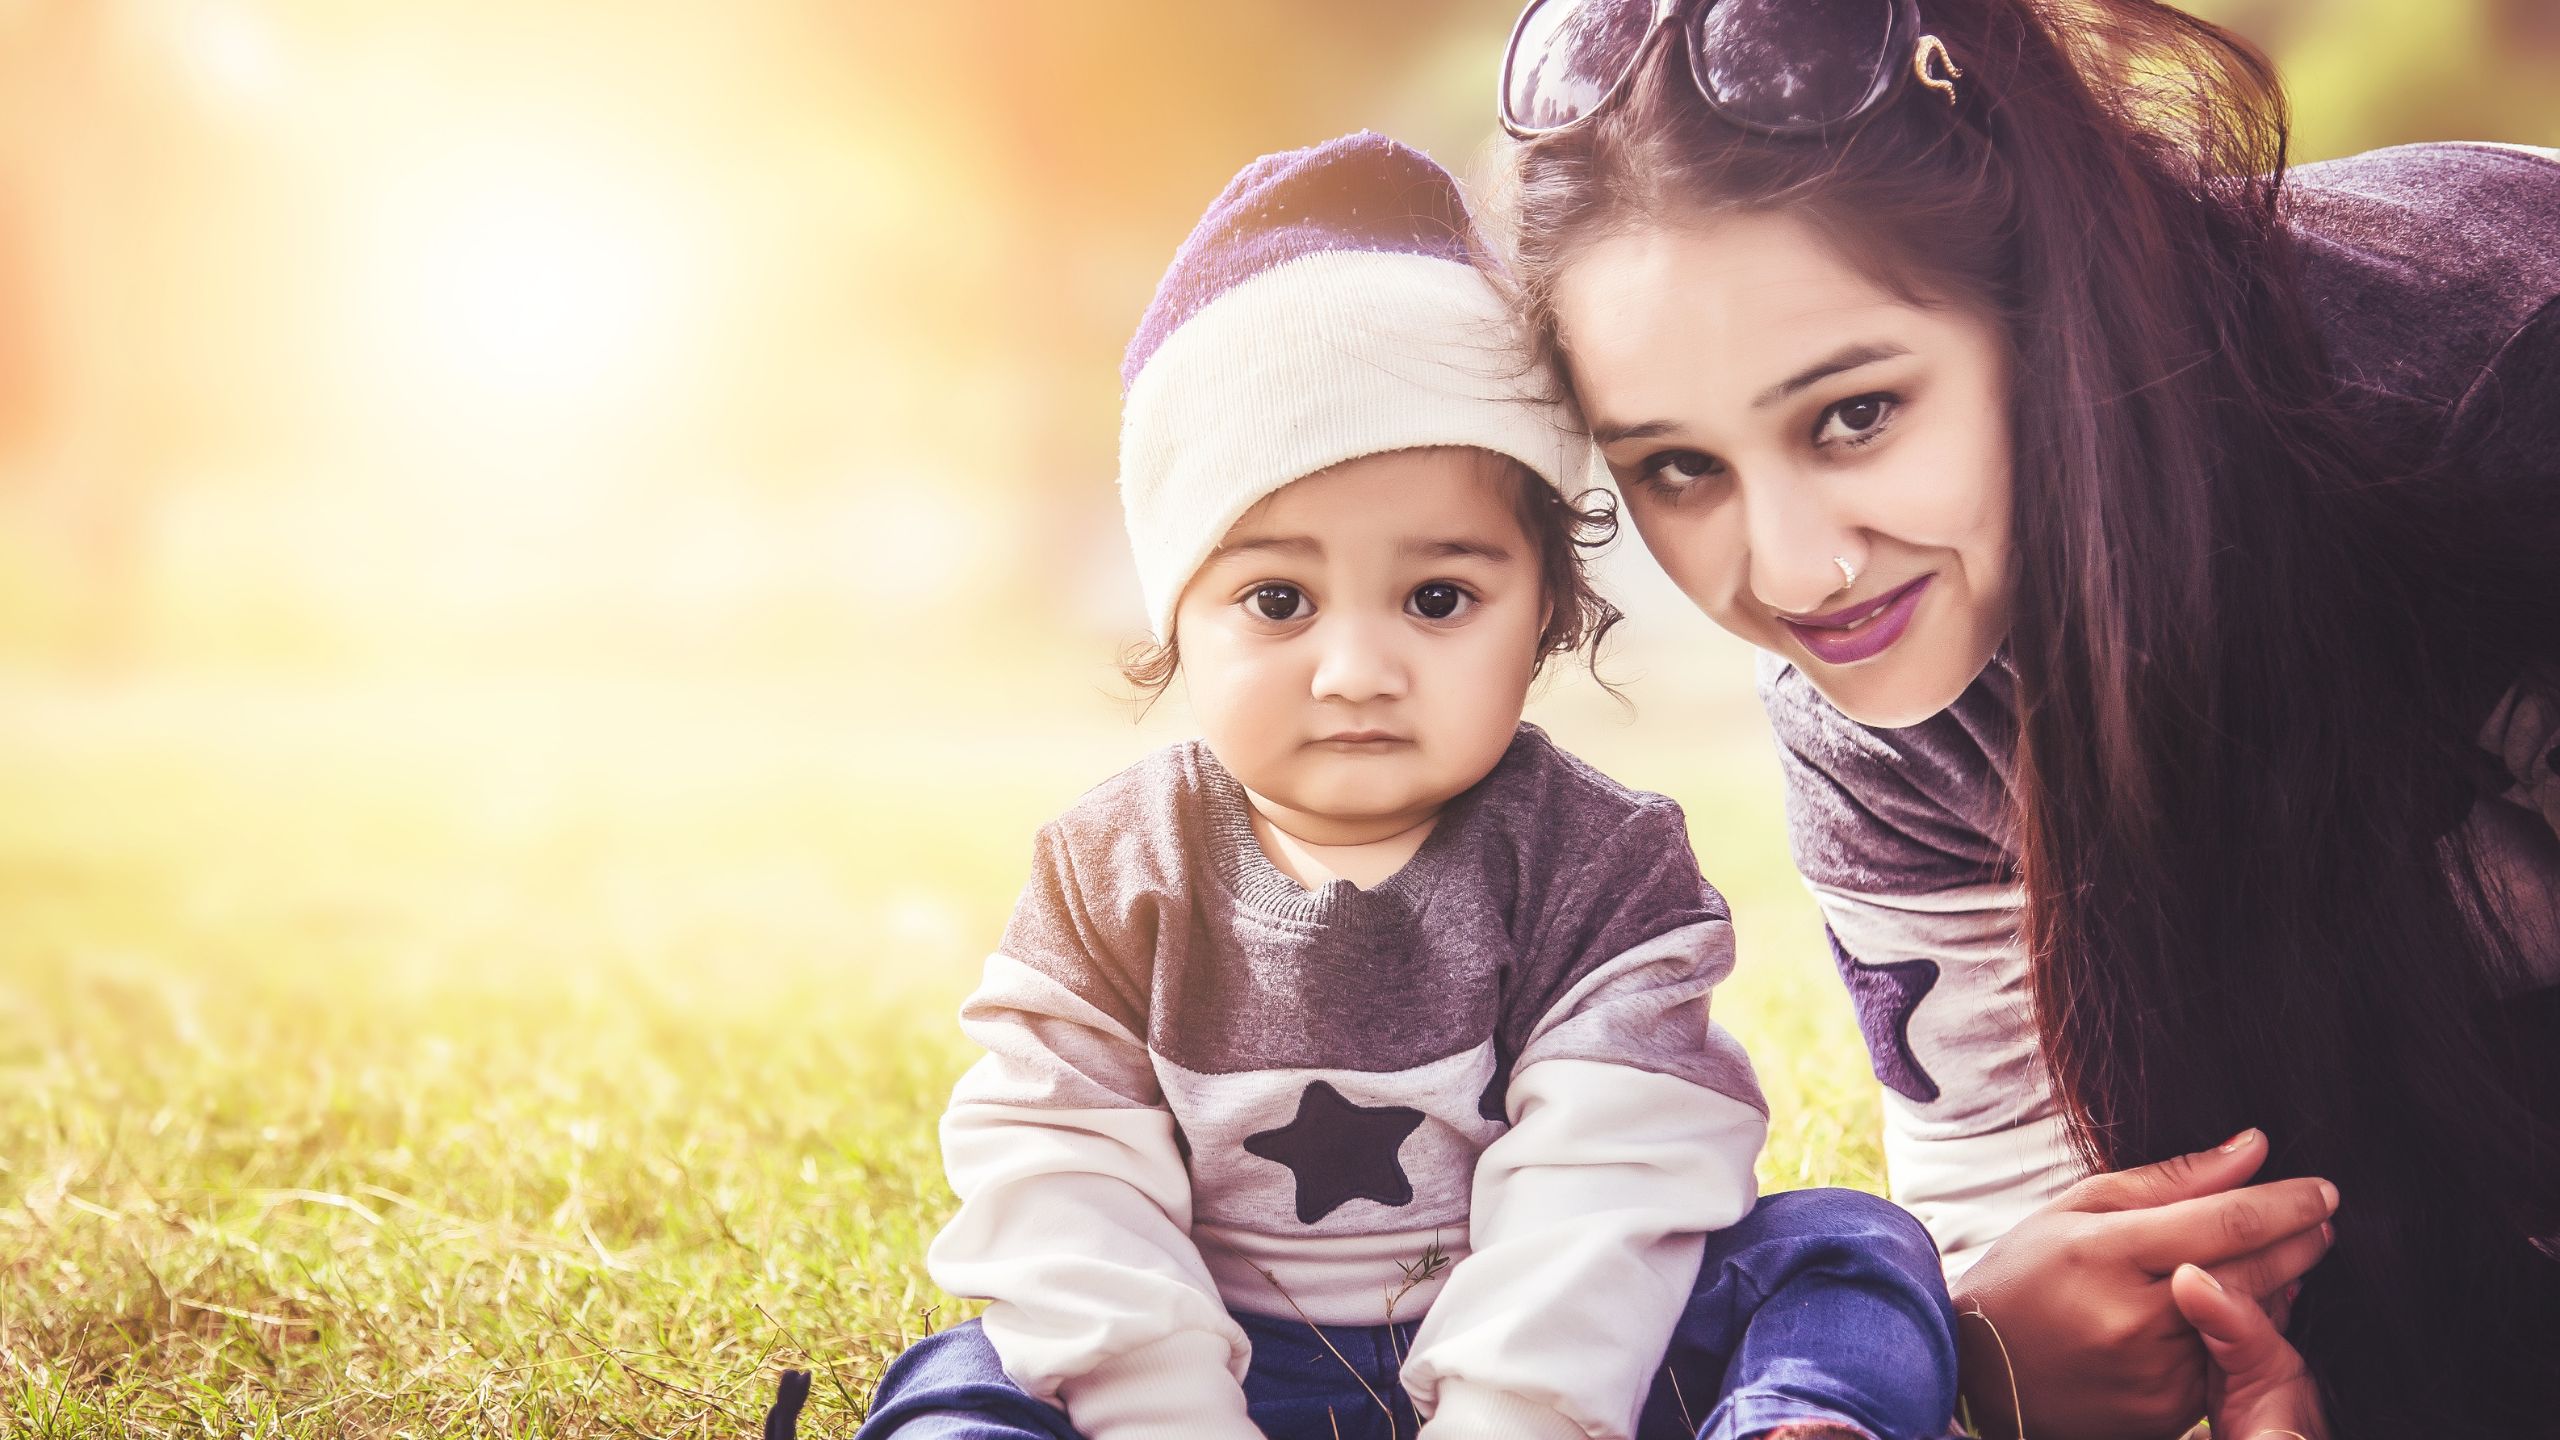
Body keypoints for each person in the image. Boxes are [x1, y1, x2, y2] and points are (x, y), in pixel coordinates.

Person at [1490, 0, 2560, 1436]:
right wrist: (1990, 1361)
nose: (1796, 569)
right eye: (1681, 466)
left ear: (2041, 293)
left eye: (1855, 415)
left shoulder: (2472, 397)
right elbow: (2002, 1199)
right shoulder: (1874, 694)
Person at [853, 133, 1961, 1440]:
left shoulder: (1601, 867)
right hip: (1217, 1365)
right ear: (1179, 613)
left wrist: (1514, 1416)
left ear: (1545, 610)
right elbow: (1062, 1177)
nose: (1358, 668)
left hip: (1563, 1356)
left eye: (1439, 598)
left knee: (1844, 1250)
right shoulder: (1110, 873)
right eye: (1278, 600)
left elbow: (1613, 1172)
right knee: (967, 1374)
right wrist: (1162, 1415)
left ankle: (1795, 1421)